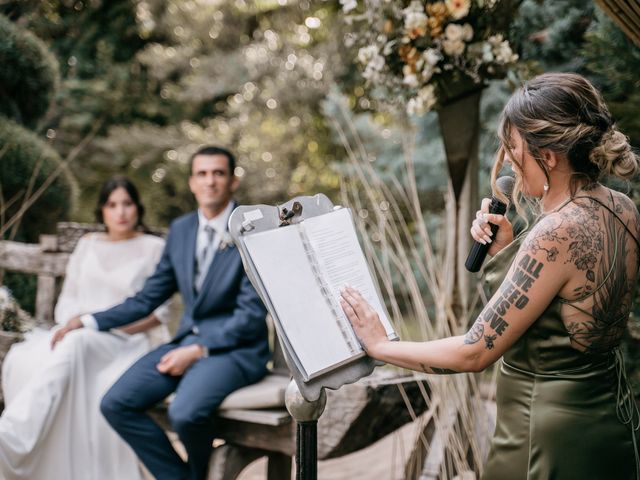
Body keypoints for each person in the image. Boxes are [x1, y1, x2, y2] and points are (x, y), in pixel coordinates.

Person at [340, 72, 640, 479]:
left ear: (548, 156)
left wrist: (380, 346)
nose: (507, 161)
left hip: (541, 436)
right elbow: (563, 311)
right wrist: (507, 253)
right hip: (608, 420)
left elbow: (474, 352)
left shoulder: (555, 232)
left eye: (513, 147)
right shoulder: (622, 207)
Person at [51, 145, 269, 480]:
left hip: (236, 350)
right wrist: (88, 321)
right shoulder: (181, 230)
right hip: (186, 342)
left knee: (185, 413)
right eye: (202, 174)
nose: (210, 181)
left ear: (233, 181)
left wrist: (199, 350)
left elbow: (251, 314)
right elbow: (147, 298)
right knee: (116, 404)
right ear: (192, 182)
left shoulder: (254, 228)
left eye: (218, 173)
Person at [0, 176, 171, 480]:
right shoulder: (87, 245)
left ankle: (14, 435)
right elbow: (66, 304)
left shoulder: (154, 247)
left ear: (137, 208)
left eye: (127, 204)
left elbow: (160, 313)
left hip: (126, 340)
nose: (121, 212)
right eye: (112, 205)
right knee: (28, 358)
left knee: (77, 345)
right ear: (102, 211)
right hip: (78, 333)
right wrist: (79, 323)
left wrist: (105, 327)